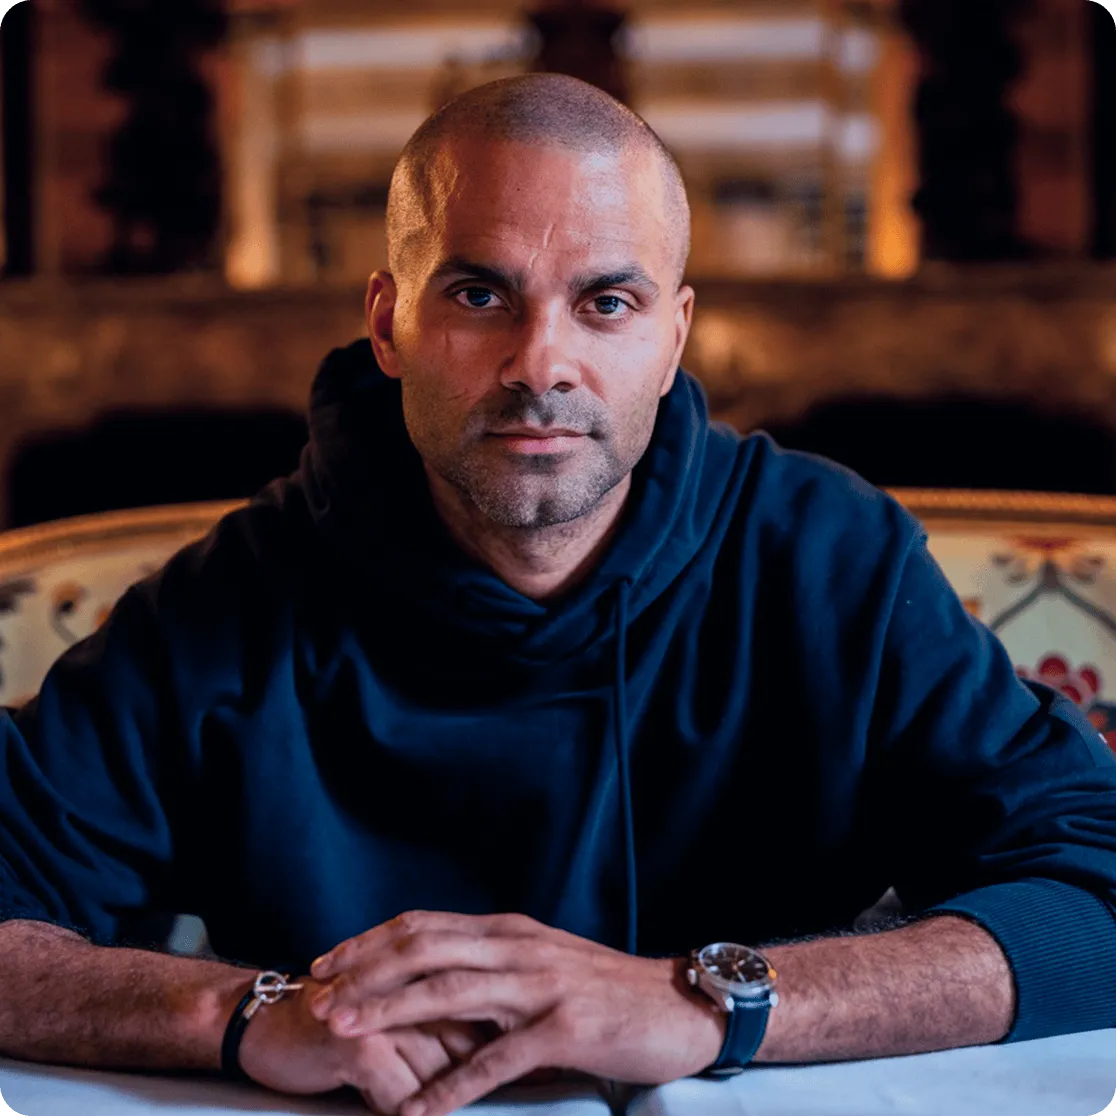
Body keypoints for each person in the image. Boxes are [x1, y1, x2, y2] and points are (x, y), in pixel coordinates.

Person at [1, 73, 1115, 1116]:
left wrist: (709, 1000)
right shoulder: (227, 601)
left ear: (674, 336)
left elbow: (1098, 894)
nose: (542, 363)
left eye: (608, 302)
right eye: (481, 293)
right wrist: (244, 1015)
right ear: (387, 322)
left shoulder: (830, 559)